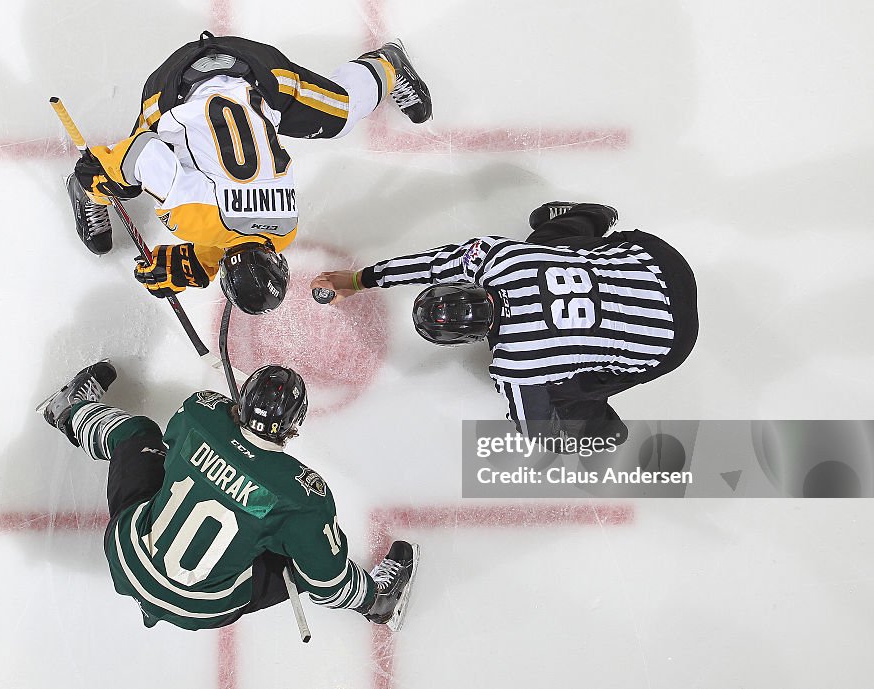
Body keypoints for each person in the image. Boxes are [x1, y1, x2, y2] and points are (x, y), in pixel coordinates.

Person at [65, 31, 432, 314]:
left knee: (342, 113)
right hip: (183, 86)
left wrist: (201, 263)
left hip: (255, 71)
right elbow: (145, 153)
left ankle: (385, 65)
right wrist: (102, 179)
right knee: (118, 170)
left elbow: (231, 225)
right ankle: (90, 194)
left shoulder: (284, 230)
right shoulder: (193, 220)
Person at [37, 360, 418, 631]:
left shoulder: (201, 411)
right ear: (295, 425)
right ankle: (378, 604)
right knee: (306, 562)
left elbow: (171, 451)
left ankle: (68, 409)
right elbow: (327, 583)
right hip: (202, 608)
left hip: (128, 556)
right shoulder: (302, 494)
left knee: (135, 435)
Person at [310, 202, 698, 446]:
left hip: (670, 341)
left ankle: (601, 431)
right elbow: (431, 263)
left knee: (568, 392)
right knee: (545, 249)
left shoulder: (516, 366)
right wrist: (359, 280)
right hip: (659, 261)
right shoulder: (498, 258)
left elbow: (538, 431)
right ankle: (585, 218)